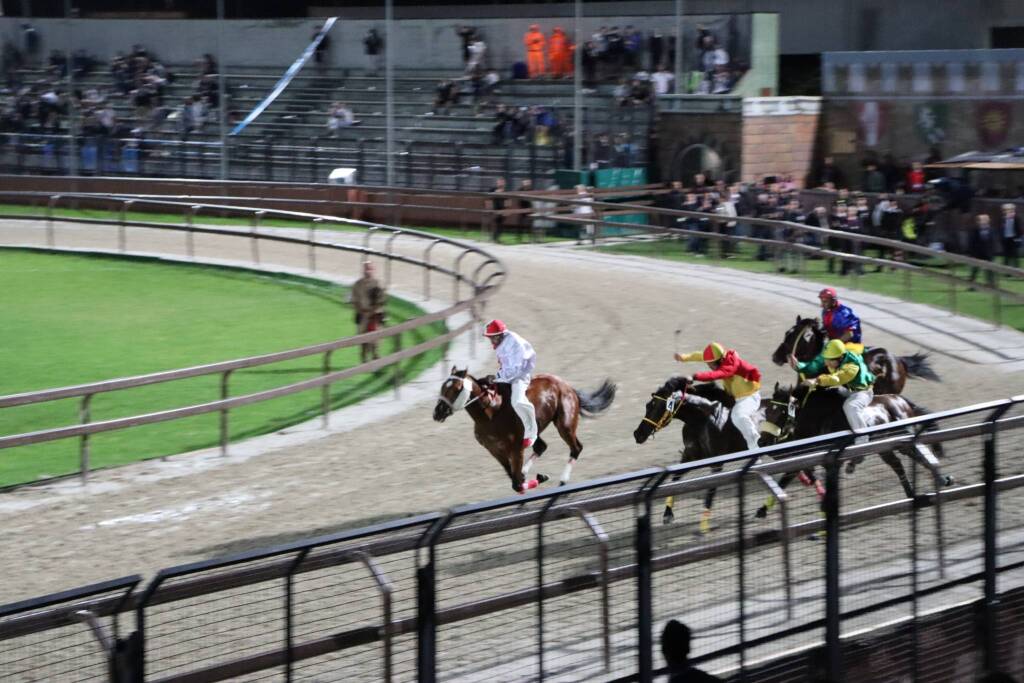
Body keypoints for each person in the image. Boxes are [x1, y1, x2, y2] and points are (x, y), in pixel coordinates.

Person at [674, 342, 762, 452]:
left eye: (711, 364)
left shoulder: (731, 366)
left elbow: (715, 375)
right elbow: (699, 355)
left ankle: (754, 441)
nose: (709, 366)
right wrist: (682, 357)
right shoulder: (721, 358)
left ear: (719, 360)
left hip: (749, 397)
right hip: (735, 396)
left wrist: (695, 376)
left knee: (738, 416)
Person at [789, 339, 876, 442]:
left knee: (850, 406)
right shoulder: (832, 357)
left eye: (830, 361)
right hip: (847, 389)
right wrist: (799, 366)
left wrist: (817, 380)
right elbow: (815, 365)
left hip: (862, 392)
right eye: (826, 359)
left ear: (840, 358)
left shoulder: (852, 366)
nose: (826, 363)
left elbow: (838, 378)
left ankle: (863, 437)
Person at [483, 319, 538, 449]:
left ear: (498, 335)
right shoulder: (501, 341)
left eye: (491, 338)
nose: (490, 341)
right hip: (506, 374)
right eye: (489, 338)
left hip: (520, 375)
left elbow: (515, 370)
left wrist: (497, 377)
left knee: (517, 402)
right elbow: (505, 366)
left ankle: (532, 433)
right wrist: (496, 377)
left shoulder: (515, 344)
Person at [350, 261, 387, 363]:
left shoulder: (378, 284)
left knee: (375, 338)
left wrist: (373, 311)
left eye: (369, 269)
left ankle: (376, 356)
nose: (367, 271)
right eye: (366, 269)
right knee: (363, 338)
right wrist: (360, 310)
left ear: (373, 270)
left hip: (375, 315)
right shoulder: (357, 284)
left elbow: (382, 300)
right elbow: (354, 300)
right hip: (362, 315)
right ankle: (364, 358)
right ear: (363, 270)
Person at [818, 287, 864, 354]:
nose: (822, 305)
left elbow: (849, 334)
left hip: (850, 345)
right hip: (835, 344)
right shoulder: (825, 311)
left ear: (833, 301)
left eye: (825, 302)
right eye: (821, 301)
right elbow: (826, 328)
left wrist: (833, 344)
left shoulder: (844, 313)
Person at [968, 213, 996, 285]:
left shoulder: (991, 230)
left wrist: (992, 253)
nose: (983, 221)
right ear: (979, 221)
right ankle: (971, 285)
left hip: (988, 253)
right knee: (975, 270)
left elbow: (993, 242)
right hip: (977, 253)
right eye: (982, 220)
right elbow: (971, 242)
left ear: (988, 221)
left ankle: (990, 283)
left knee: (989, 270)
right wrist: (972, 253)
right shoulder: (975, 230)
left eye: (985, 220)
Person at [1000, 203, 1022, 268]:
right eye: (1004, 210)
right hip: (1006, 239)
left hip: (1014, 239)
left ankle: (1016, 270)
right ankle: (1006, 271)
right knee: (1006, 256)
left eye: (1007, 210)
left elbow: (1020, 230)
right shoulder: (1003, 219)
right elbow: (1001, 229)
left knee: (1015, 256)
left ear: (1012, 210)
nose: (1005, 211)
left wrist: (1017, 239)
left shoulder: (1017, 218)